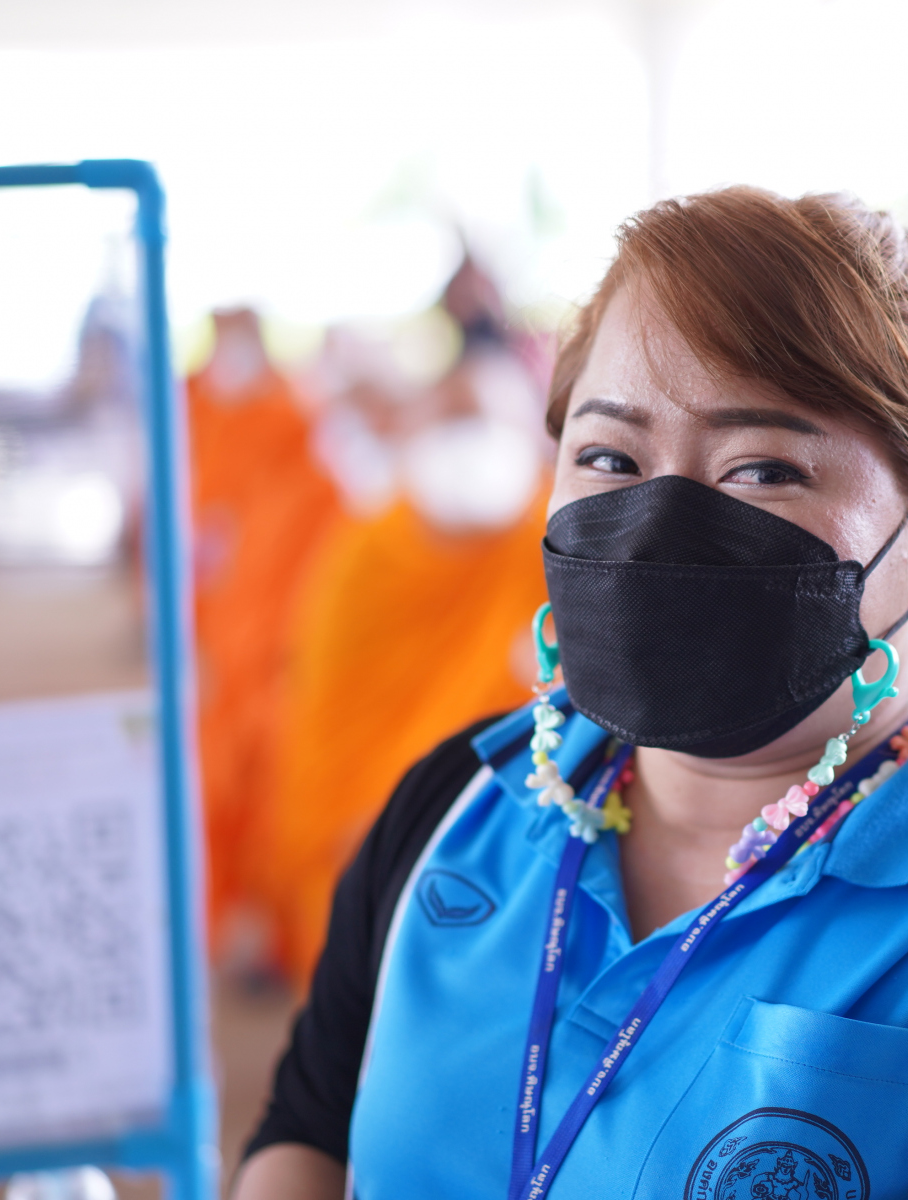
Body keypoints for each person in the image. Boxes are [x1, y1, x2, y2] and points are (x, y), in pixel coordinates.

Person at [236, 189, 908, 1198]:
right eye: (608, 455)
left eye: (762, 470)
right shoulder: (455, 811)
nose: (658, 524)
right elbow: (310, 1131)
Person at [261, 261, 554, 991]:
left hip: (516, 835)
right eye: (452, 422)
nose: (470, 445)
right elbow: (322, 711)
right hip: (365, 829)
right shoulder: (366, 552)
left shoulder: (551, 540)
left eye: (484, 424)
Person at [185, 307, 342, 961]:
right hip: (227, 638)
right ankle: (230, 915)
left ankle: (270, 925)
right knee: (222, 777)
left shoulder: (297, 428)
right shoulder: (201, 416)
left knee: (275, 780)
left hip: (282, 647)